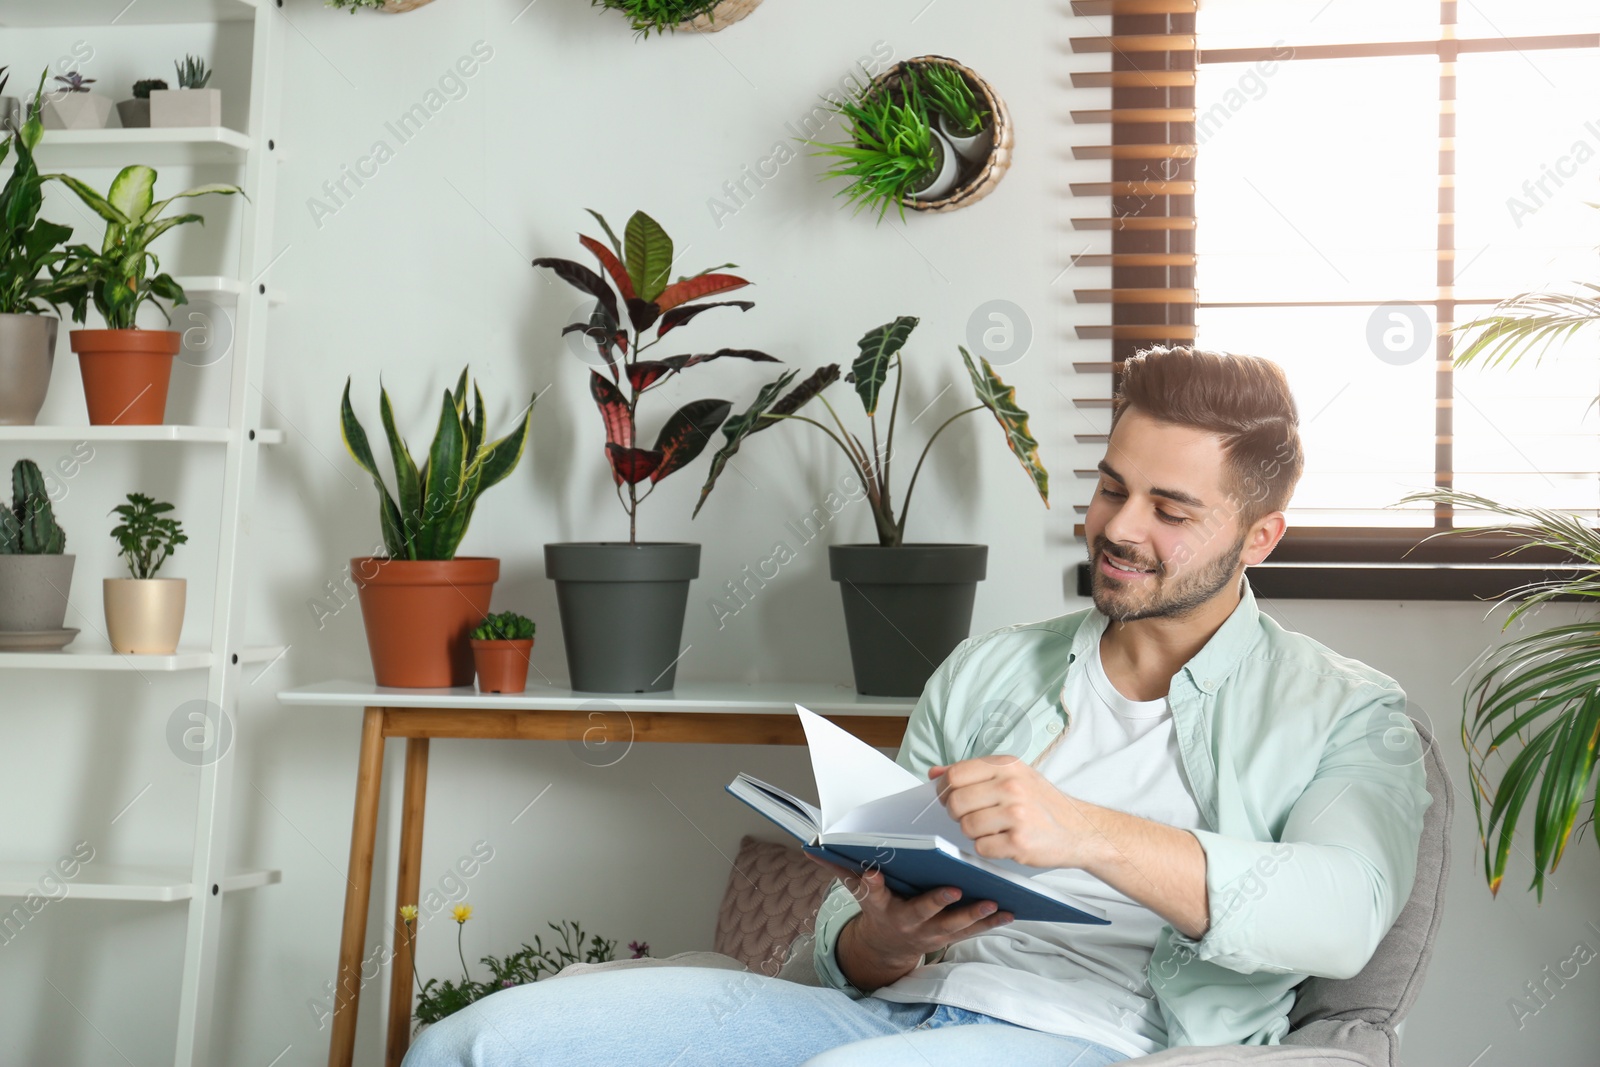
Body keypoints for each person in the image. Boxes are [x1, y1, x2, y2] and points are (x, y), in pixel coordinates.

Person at [402, 346, 1432, 1067]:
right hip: (885, 1012)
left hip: (1103, 1039)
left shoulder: (1345, 710)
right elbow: (837, 941)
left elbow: (1340, 914)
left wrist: (1081, 830)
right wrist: (884, 938)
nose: (1117, 528)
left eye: (1170, 510)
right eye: (1111, 486)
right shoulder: (986, 675)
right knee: (470, 1045)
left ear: (1259, 536)